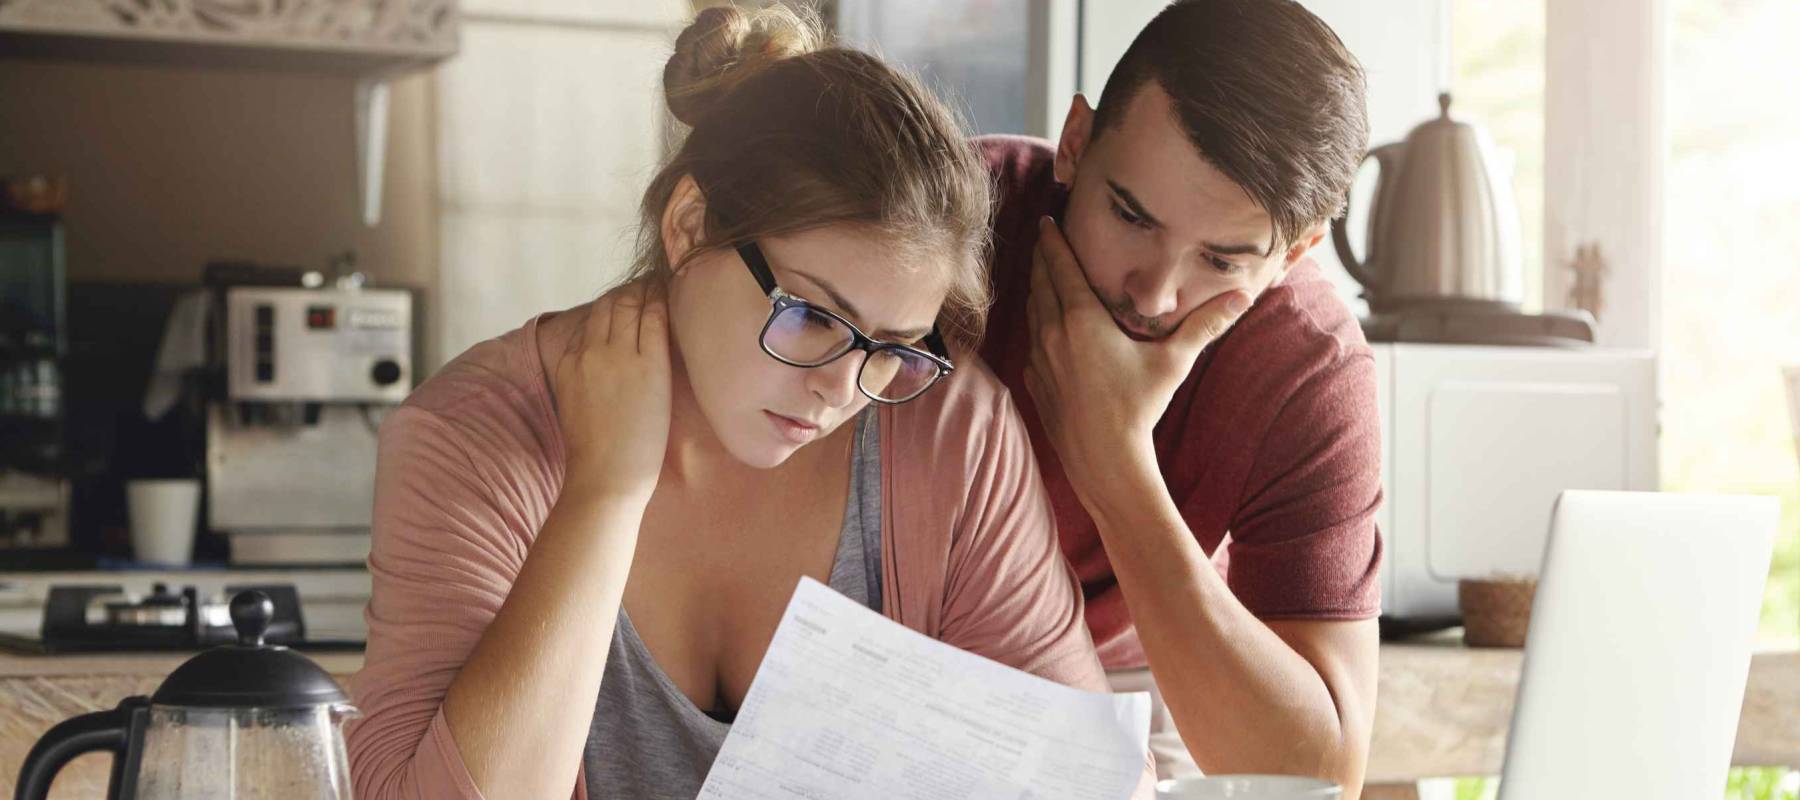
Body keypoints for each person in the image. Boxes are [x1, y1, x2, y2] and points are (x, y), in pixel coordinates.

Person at [345, 7, 1151, 799]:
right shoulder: (472, 437)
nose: (842, 389)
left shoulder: (948, 430)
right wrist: (604, 494)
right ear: (690, 226)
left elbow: (1085, 783)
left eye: (892, 348)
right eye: (809, 316)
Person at [976, 0, 1383, 794]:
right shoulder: (950, 222)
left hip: (1141, 676)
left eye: (1223, 261)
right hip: (886, 639)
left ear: (1292, 253)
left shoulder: (1310, 368)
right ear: (1075, 143)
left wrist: (1115, 467)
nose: (1156, 295)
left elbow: (1322, 773)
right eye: (1130, 215)